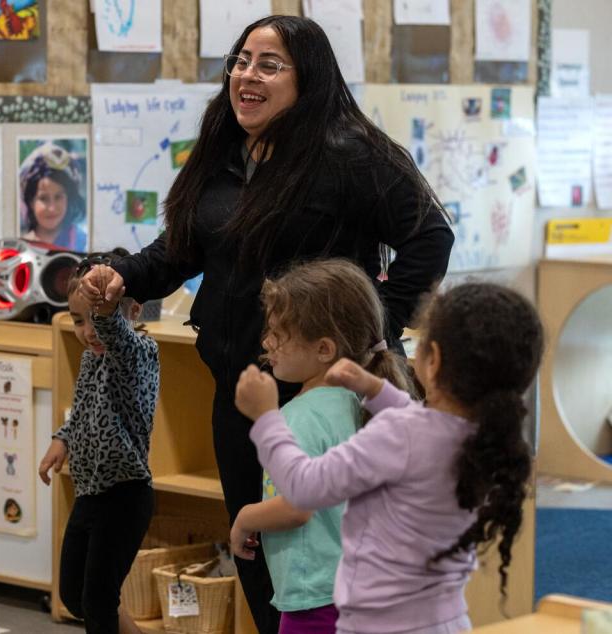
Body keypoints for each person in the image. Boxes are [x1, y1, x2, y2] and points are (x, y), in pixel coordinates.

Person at [80, 15, 454, 631]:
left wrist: (373, 319)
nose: (247, 75)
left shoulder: (351, 152)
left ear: (308, 79)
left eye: (269, 64)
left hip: (322, 393)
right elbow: (181, 250)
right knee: (258, 552)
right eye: (241, 60)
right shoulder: (225, 148)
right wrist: (123, 275)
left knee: (324, 555)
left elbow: (430, 237)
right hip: (243, 391)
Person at [237, 283, 543, 633]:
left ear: (435, 359)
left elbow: (304, 488)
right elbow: (422, 432)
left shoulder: (402, 434)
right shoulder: (484, 443)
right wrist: (375, 390)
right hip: (448, 621)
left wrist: (265, 418)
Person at [229, 260, 414, 634]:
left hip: (317, 596)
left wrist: (246, 516)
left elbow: (299, 505)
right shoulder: (362, 402)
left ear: (324, 348)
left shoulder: (303, 416)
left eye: (279, 333)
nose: (266, 342)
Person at [38, 250, 159, 634]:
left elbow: (116, 337)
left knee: (99, 602)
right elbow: (84, 408)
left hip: (125, 494)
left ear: (134, 311)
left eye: (97, 317)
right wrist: (63, 439)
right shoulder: (91, 358)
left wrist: (105, 313)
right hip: (90, 492)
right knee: (75, 596)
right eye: (78, 320)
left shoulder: (138, 353)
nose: (88, 331)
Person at [20, 143, 88, 252]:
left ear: (68, 198)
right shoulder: (21, 249)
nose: (52, 208)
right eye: (43, 198)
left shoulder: (84, 243)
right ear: (31, 202)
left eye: (58, 197)